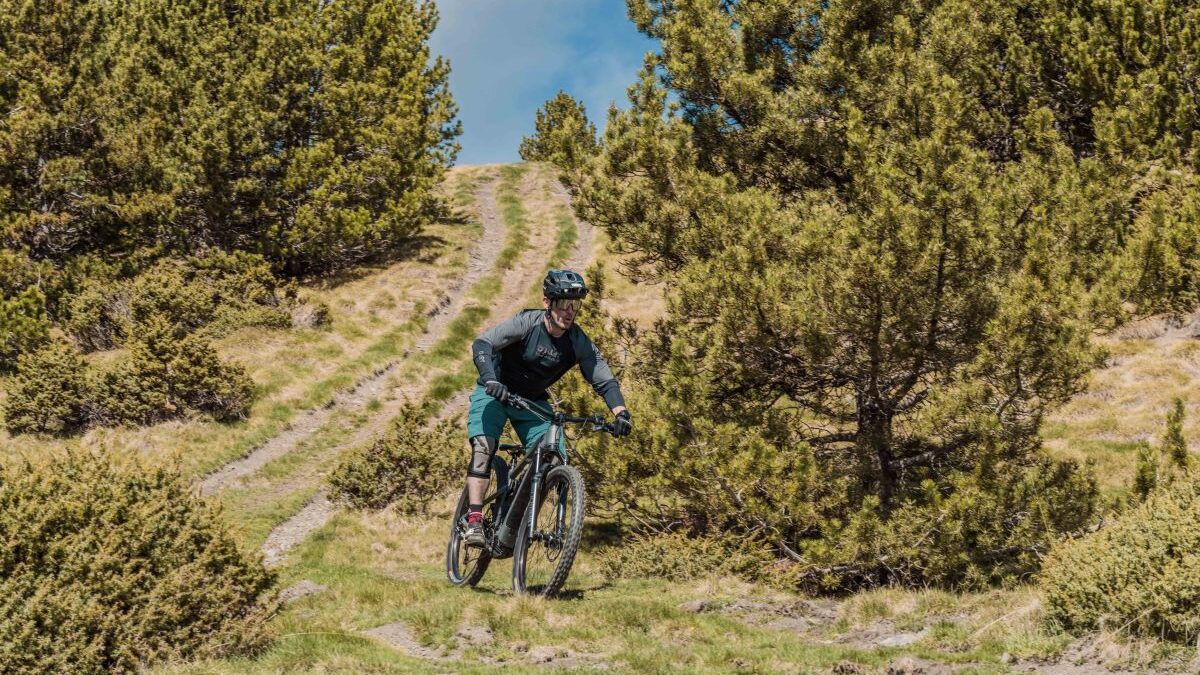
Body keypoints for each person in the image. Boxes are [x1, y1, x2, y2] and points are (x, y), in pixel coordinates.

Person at [462, 268, 631, 546]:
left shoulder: (577, 342)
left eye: (574, 305)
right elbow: (483, 343)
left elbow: (603, 378)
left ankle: (518, 520)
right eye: (563, 303)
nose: (569, 311)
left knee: (554, 457)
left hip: (531, 402)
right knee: (483, 447)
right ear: (547, 302)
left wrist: (620, 412)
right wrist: (491, 379)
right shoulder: (526, 323)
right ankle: (475, 522)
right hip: (495, 391)